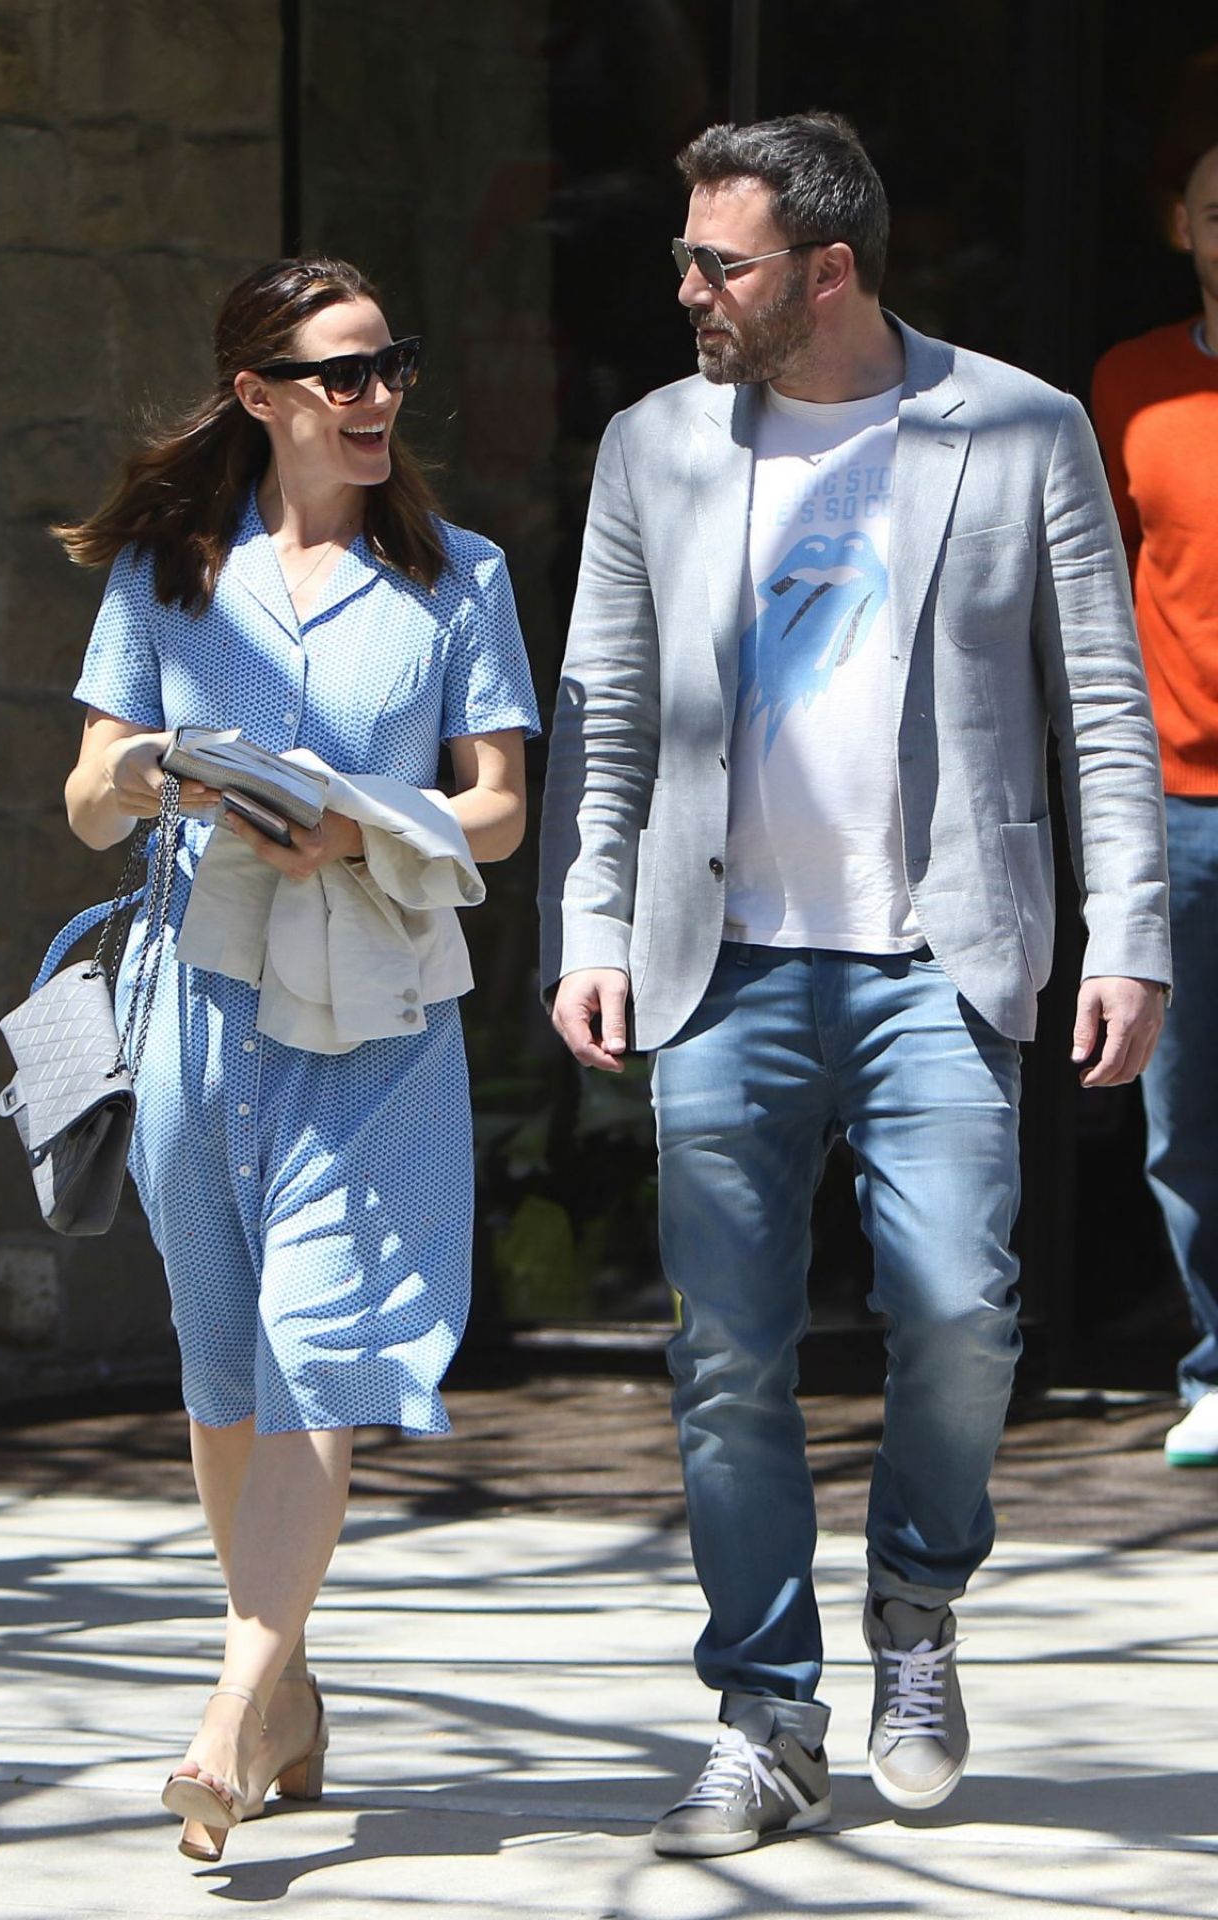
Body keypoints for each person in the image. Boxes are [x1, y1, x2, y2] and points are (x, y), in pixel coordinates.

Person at [539, 112, 1170, 1857]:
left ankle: (916, 1605)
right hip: (719, 964)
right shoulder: (654, 443)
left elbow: (1100, 703)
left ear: (827, 270)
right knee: (727, 1360)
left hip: (936, 961)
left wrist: (1128, 932)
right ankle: (766, 1717)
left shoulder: (1019, 426)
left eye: (717, 261)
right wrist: (589, 928)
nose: (687, 287)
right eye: (686, 255)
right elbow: (604, 708)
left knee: (962, 1316)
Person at [56, 256, 539, 1859]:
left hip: (373, 1013)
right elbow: (86, 798)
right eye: (343, 374)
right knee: (223, 1367)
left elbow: (498, 808)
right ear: (259, 397)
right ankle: (290, 1691)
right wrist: (160, 771)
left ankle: (224, 1718)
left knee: (320, 1348)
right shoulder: (169, 575)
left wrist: (362, 821)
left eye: (391, 364)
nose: (378, 396)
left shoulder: (459, 578)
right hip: (197, 1007)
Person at [1091, 137, 1218, 1468]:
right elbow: (1100, 598)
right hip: (1179, 795)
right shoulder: (1131, 384)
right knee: (1186, 1108)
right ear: (1182, 227)